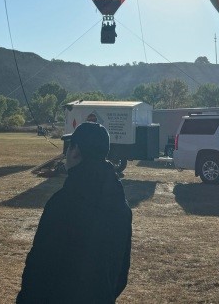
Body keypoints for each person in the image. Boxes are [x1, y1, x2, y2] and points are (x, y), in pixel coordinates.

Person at [17, 121, 132, 303]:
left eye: (69, 147)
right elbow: (121, 271)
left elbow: (40, 266)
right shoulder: (121, 205)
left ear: (76, 151)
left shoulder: (63, 203)